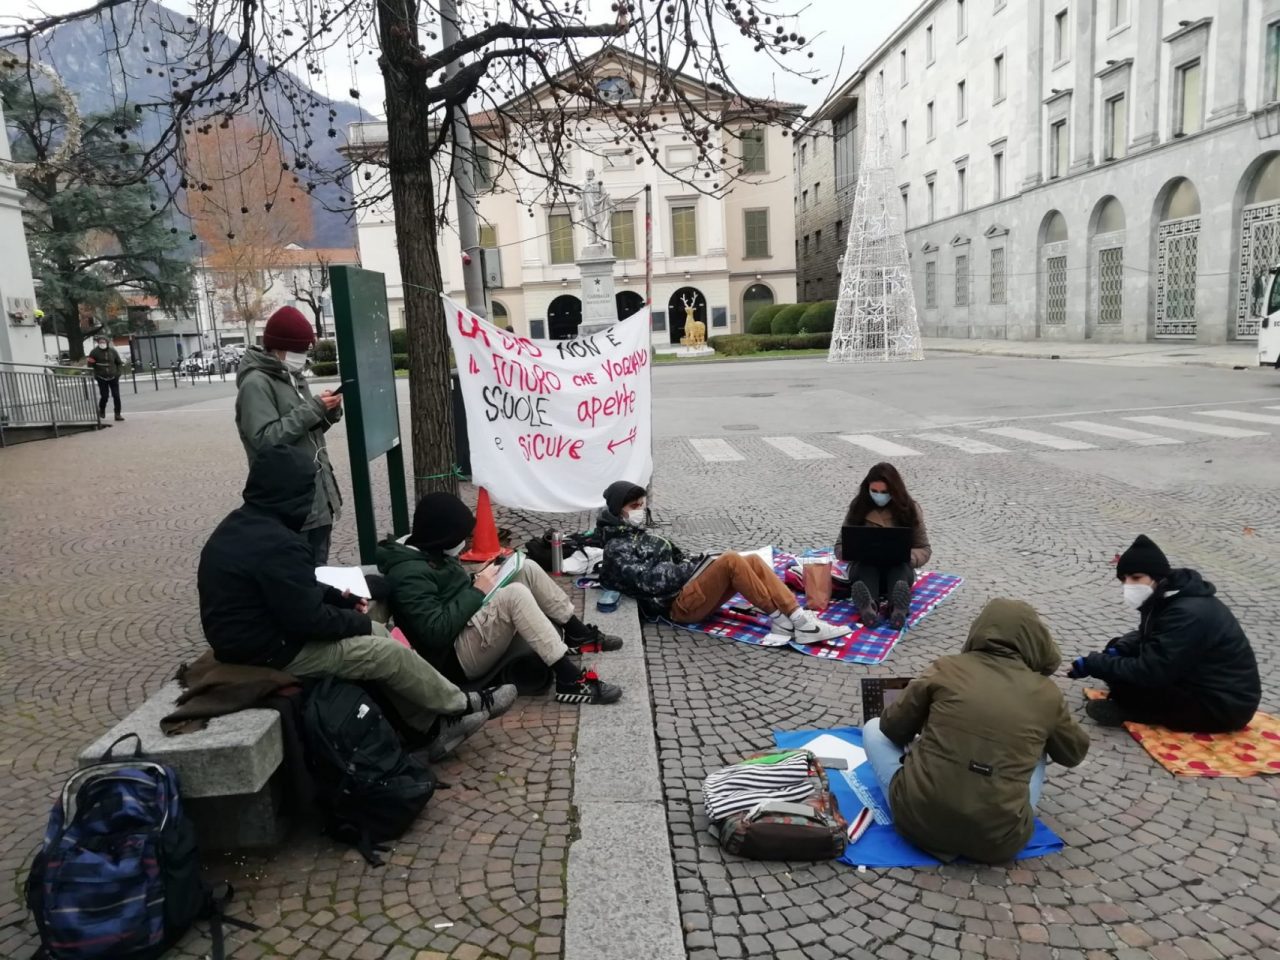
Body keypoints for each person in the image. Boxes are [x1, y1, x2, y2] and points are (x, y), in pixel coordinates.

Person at [198, 443, 516, 761]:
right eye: (310, 491)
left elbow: (291, 587)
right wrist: (357, 621)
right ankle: (463, 705)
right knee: (381, 650)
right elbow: (308, 619)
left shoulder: (245, 525)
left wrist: (340, 598)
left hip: (253, 638)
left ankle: (431, 727)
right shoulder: (278, 543)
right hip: (267, 651)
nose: (314, 501)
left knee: (379, 634)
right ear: (290, 493)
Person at [861, 598, 1090, 864]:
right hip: (999, 839)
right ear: (1036, 641)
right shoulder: (1047, 694)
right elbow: (1073, 754)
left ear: (978, 630)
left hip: (918, 823)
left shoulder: (946, 668)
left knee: (872, 728)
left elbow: (891, 727)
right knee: (1039, 745)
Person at [378, 493, 624, 705]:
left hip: (467, 628)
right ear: (441, 536)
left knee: (523, 568)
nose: (464, 544)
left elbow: (449, 594)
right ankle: (569, 681)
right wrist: (476, 591)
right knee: (513, 596)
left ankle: (576, 633)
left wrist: (480, 578)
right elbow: (435, 631)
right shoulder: (408, 575)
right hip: (453, 659)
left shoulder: (430, 551)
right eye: (459, 537)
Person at [597, 482, 850, 644]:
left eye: (642, 505)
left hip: (686, 590)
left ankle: (796, 617)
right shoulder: (616, 547)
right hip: (676, 605)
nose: (640, 510)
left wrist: (700, 561)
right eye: (634, 506)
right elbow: (647, 581)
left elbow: (678, 557)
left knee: (749, 559)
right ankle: (781, 618)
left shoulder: (643, 534)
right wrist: (694, 568)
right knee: (730, 559)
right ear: (618, 510)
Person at [1067, 535, 1261, 732]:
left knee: (1128, 685)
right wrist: (1119, 648)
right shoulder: (1168, 596)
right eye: (1124, 580)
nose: (1129, 585)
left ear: (1156, 576)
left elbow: (1151, 671)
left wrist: (1096, 663)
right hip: (1199, 680)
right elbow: (1155, 636)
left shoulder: (1187, 612)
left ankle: (1130, 711)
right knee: (1118, 651)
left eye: (1135, 578)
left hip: (1222, 706)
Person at [236, 305, 342, 564]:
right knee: (301, 580)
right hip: (289, 503)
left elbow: (303, 432)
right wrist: (313, 409)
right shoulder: (256, 384)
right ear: (279, 348)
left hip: (317, 498)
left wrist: (327, 413)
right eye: (299, 350)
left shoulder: (292, 377)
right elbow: (265, 441)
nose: (303, 356)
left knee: (319, 576)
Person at [835, 462, 932, 630]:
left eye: (884, 492)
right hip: (865, 565)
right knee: (866, 568)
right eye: (874, 491)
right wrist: (852, 550)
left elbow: (924, 548)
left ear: (894, 490)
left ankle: (897, 608)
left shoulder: (910, 509)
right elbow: (839, 545)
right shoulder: (858, 507)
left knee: (899, 568)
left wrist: (909, 556)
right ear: (867, 489)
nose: (879, 496)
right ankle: (869, 607)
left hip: (898, 566)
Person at [87, 335, 125, 422]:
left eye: (103, 342)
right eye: (100, 342)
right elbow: (90, 365)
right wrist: (96, 375)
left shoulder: (113, 351)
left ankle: (117, 414)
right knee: (104, 396)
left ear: (107, 342)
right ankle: (102, 410)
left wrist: (118, 373)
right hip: (101, 378)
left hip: (113, 377)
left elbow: (119, 363)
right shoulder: (94, 352)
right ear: (98, 343)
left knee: (116, 396)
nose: (102, 344)